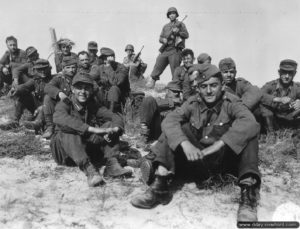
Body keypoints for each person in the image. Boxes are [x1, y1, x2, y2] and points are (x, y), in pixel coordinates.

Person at [131, 64, 261, 222]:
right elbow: (171, 121)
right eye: (204, 86)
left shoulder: (232, 102)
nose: (209, 91)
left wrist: (221, 143)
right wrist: (185, 143)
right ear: (198, 88)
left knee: (250, 134)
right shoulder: (192, 103)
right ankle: (160, 186)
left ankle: (248, 197)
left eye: (213, 85)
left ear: (222, 86)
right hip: (196, 162)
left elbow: (250, 122)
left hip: (223, 162)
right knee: (174, 129)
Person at [51, 72, 132, 187]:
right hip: (65, 153)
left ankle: (112, 164)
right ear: (73, 89)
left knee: (109, 125)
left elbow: (114, 116)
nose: (82, 92)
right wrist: (92, 129)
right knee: (69, 129)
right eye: (79, 88)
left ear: (91, 90)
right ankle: (90, 171)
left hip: (84, 149)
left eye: (86, 88)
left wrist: (117, 129)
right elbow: (59, 119)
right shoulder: (65, 104)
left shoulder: (92, 104)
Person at [138, 49, 196, 143]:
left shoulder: (197, 71)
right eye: (184, 59)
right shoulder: (179, 70)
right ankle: (144, 134)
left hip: (188, 105)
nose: (186, 61)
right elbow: (175, 85)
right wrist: (174, 98)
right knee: (149, 100)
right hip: (177, 102)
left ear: (194, 59)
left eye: (188, 58)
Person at [0, 59, 52, 130]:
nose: (42, 71)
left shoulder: (54, 79)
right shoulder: (36, 80)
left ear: (49, 69)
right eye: (40, 69)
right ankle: (15, 121)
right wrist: (15, 90)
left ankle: (37, 123)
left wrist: (43, 107)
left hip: (50, 109)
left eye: (45, 69)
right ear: (36, 70)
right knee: (23, 95)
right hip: (38, 107)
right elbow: (25, 86)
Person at [147, 7, 189, 88]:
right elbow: (160, 38)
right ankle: (152, 81)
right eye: (170, 14)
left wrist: (179, 32)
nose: (172, 15)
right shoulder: (165, 26)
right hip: (166, 49)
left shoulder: (181, 24)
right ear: (168, 16)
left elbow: (186, 35)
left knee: (175, 69)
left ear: (176, 15)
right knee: (159, 62)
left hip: (175, 49)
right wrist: (163, 40)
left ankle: (176, 86)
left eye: (173, 13)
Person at [260, 59, 300, 134]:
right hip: (272, 119)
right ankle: (271, 133)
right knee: (262, 106)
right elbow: (258, 95)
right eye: (284, 72)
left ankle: (294, 131)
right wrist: (278, 99)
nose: (287, 76)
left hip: (289, 118)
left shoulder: (297, 87)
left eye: (290, 73)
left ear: (294, 73)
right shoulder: (271, 86)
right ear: (279, 72)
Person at [43, 56, 78, 139]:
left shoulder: (80, 76)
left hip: (78, 107)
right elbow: (47, 87)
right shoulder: (59, 78)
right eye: (68, 67)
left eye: (73, 67)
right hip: (64, 107)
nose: (71, 70)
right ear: (63, 68)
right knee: (47, 98)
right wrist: (59, 93)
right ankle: (50, 127)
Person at [90, 47, 130, 113]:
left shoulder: (122, 68)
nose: (104, 60)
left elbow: (115, 82)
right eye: (103, 58)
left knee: (114, 89)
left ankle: (111, 114)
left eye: (105, 58)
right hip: (104, 97)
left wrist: (110, 66)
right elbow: (90, 77)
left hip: (119, 99)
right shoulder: (101, 67)